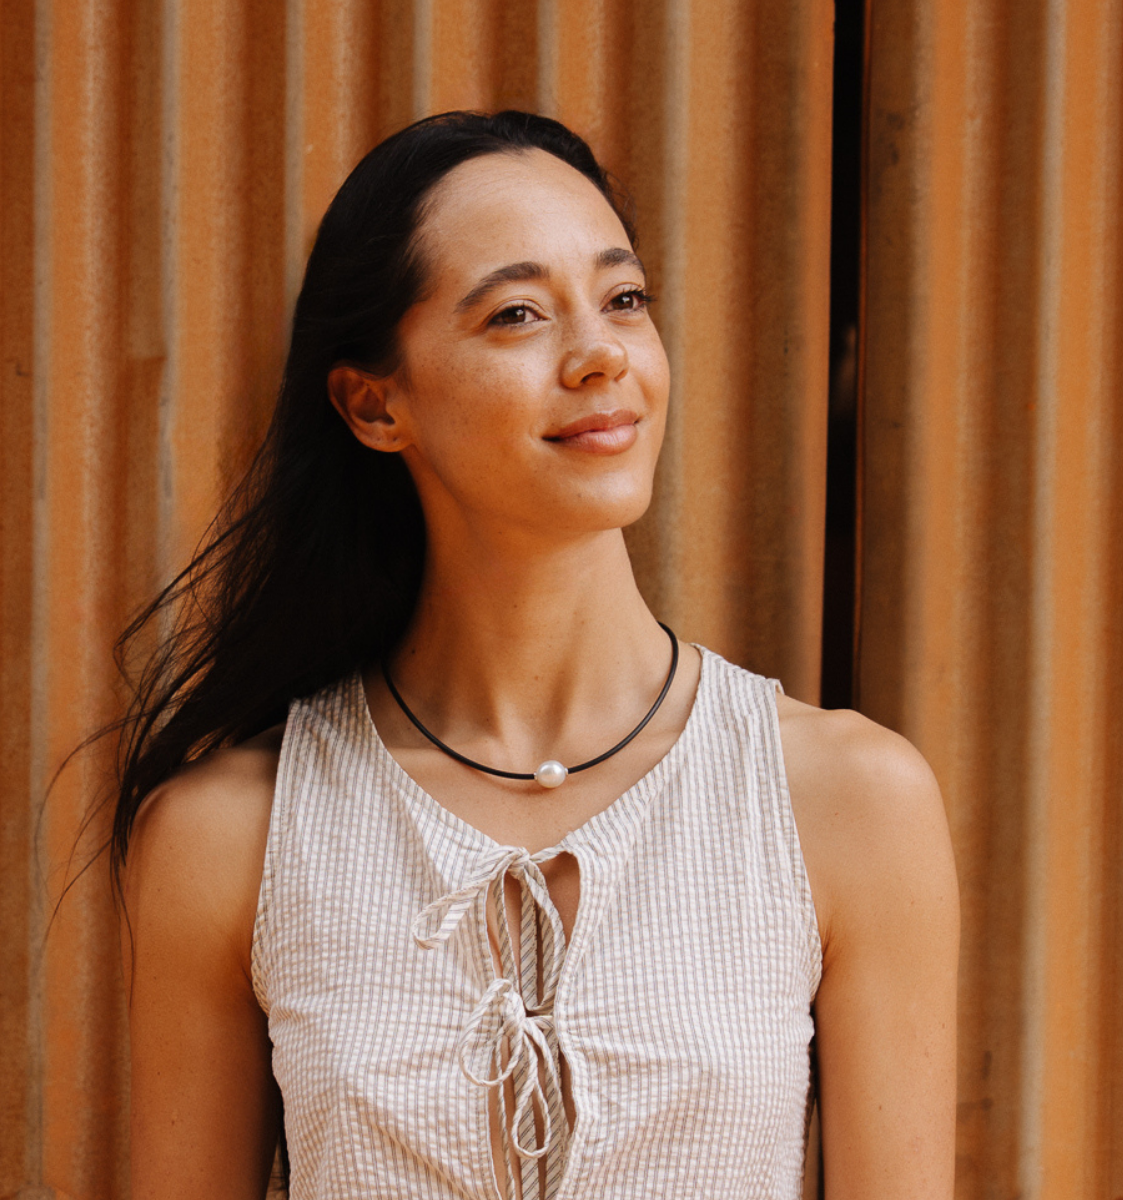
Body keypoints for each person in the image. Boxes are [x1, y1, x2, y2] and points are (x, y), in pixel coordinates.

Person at [117, 110, 959, 1200]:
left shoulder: (846, 802)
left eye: (625, 299)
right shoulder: (231, 835)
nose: (603, 353)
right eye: (518, 314)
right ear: (374, 404)